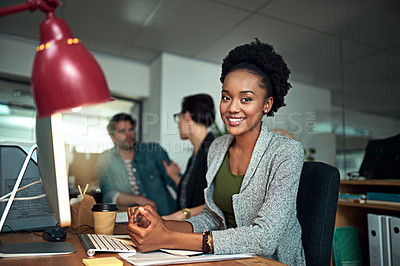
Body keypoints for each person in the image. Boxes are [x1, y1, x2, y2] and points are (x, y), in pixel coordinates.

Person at [126, 39, 306, 266]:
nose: (232, 107)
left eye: (246, 99)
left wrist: (170, 238)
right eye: (226, 96)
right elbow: (212, 217)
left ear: (267, 104)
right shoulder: (218, 147)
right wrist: (160, 224)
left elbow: (264, 238)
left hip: (269, 261)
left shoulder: (286, 151)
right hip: (225, 258)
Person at [96, 113, 177, 216]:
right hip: (131, 220)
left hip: (165, 216)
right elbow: (109, 195)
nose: (128, 134)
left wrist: (188, 214)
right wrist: (139, 200)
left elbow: (178, 185)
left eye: (131, 129)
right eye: (122, 131)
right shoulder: (105, 159)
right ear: (113, 137)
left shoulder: (154, 151)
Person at [162, 94, 215, 220]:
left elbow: (217, 204)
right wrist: (175, 177)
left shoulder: (213, 150)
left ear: (186, 116)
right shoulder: (196, 153)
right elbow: (195, 194)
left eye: (178, 118)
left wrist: (181, 215)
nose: (178, 124)